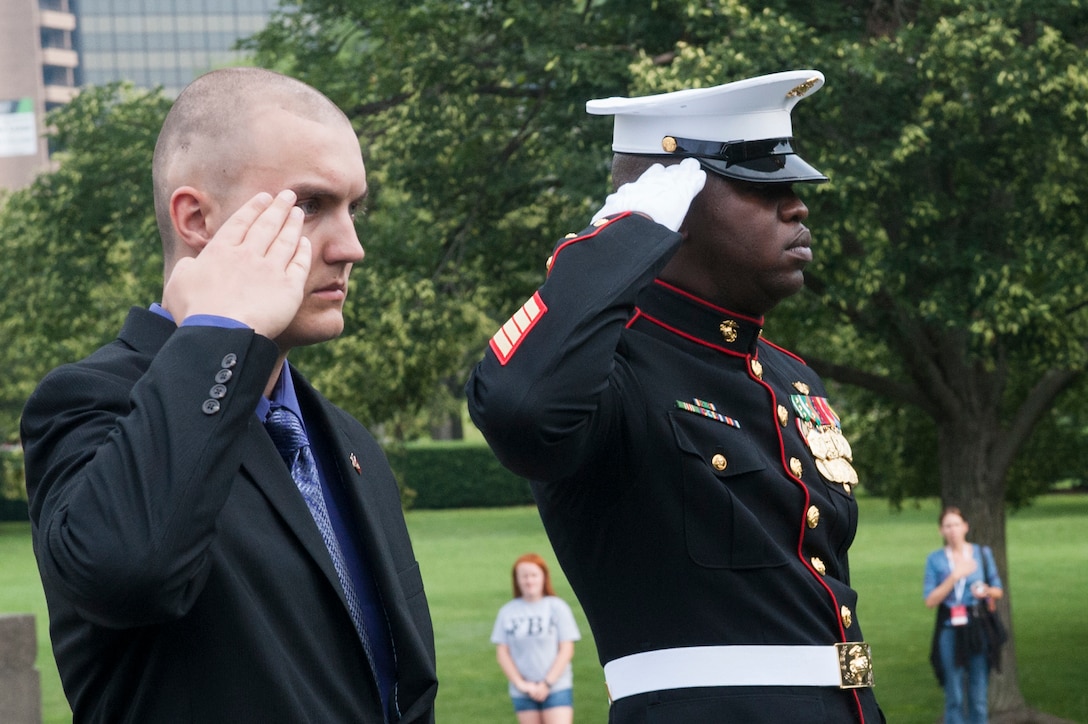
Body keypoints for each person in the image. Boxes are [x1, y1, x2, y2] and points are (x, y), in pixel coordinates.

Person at [20, 67, 438, 723]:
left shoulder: (348, 442)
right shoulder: (88, 402)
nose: (352, 246)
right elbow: (128, 571)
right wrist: (218, 330)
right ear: (195, 219)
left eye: (355, 209)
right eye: (310, 206)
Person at [465, 70, 885, 722]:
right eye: (759, 186)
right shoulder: (607, 371)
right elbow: (520, 409)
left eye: (795, 188)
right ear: (671, 203)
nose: (797, 206)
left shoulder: (789, 377)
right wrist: (623, 238)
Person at [924, 506, 1005, 724]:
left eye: (956, 524)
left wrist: (986, 591)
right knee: (955, 696)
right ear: (941, 530)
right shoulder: (936, 560)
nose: (952, 530)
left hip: (978, 627)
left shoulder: (982, 554)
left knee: (978, 696)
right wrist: (955, 576)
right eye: (947, 526)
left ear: (965, 527)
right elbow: (930, 600)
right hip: (950, 627)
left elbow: (998, 589)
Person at [491, 553, 581, 724]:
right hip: (523, 691)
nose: (529, 581)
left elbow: (566, 649)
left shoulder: (557, 607)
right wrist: (521, 684)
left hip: (557, 687)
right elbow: (502, 653)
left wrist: (547, 683)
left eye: (534, 575)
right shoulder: (507, 612)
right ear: (516, 579)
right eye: (524, 576)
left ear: (543, 577)